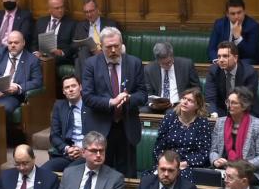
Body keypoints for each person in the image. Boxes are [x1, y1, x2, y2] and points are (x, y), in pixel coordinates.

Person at [82, 26, 147, 177]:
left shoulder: (134, 63)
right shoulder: (91, 64)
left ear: (122, 44)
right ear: (101, 46)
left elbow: (143, 94)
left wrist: (129, 98)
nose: (113, 50)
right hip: (101, 128)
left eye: (116, 46)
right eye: (108, 47)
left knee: (128, 174)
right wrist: (111, 102)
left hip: (127, 126)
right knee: (102, 174)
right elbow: (87, 97)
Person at [210, 87, 259, 187]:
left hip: (249, 172)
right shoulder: (220, 123)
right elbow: (213, 150)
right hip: (224, 168)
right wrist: (215, 161)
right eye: (228, 102)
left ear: (244, 106)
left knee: (232, 181)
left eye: (234, 103)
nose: (229, 106)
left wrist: (239, 168)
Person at [153, 87, 212, 181]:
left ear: (197, 106)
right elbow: (158, 147)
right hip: (167, 163)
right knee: (151, 179)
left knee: (183, 178)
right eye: (184, 98)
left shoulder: (202, 123)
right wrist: (165, 163)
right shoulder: (169, 118)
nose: (185, 102)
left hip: (190, 166)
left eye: (190, 100)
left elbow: (204, 153)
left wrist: (186, 163)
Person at [205, 41, 259, 119]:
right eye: (219, 56)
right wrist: (213, 116)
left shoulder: (249, 73)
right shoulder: (213, 71)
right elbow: (210, 99)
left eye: (225, 56)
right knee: (206, 119)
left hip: (246, 109)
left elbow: (245, 100)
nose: (221, 60)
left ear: (235, 58)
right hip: (222, 110)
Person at [41, 74, 86, 172]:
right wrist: (67, 149)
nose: (70, 89)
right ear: (63, 92)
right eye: (67, 87)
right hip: (66, 153)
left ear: (80, 87)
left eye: (73, 86)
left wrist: (83, 150)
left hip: (86, 153)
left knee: (70, 172)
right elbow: (54, 135)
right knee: (42, 171)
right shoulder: (59, 106)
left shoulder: (90, 105)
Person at [142, 42, 200, 113]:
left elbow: (196, 88)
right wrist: (151, 104)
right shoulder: (149, 69)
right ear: (157, 61)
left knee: (170, 113)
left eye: (169, 62)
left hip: (179, 104)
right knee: (143, 111)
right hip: (157, 106)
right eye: (163, 64)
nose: (167, 65)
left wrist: (186, 101)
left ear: (172, 56)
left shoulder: (186, 65)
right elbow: (147, 92)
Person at [58, 131, 125, 189]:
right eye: (94, 151)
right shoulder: (69, 173)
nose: (98, 155)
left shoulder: (115, 178)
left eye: (101, 151)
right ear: (83, 152)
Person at [73, 0, 117, 79]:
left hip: (104, 54)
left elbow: (116, 43)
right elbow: (74, 45)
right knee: (83, 51)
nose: (89, 15)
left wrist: (101, 51)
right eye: (86, 12)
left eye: (91, 11)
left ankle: (85, 87)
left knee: (78, 62)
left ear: (97, 9)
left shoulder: (110, 23)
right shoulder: (80, 26)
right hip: (87, 55)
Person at [208, 0, 259, 64]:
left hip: (241, 63)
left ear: (244, 12)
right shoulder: (219, 24)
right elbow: (212, 49)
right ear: (227, 14)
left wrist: (238, 38)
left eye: (239, 12)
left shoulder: (253, 26)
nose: (236, 16)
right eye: (233, 14)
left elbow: (251, 54)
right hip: (221, 61)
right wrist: (217, 61)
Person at [30, 0, 76, 65]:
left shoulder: (71, 24)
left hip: (59, 58)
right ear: (50, 9)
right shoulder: (41, 22)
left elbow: (74, 46)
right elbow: (34, 42)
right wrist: (35, 53)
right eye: (57, 8)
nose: (60, 10)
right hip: (41, 55)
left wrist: (61, 52)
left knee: (46, 62)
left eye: (62, 7)